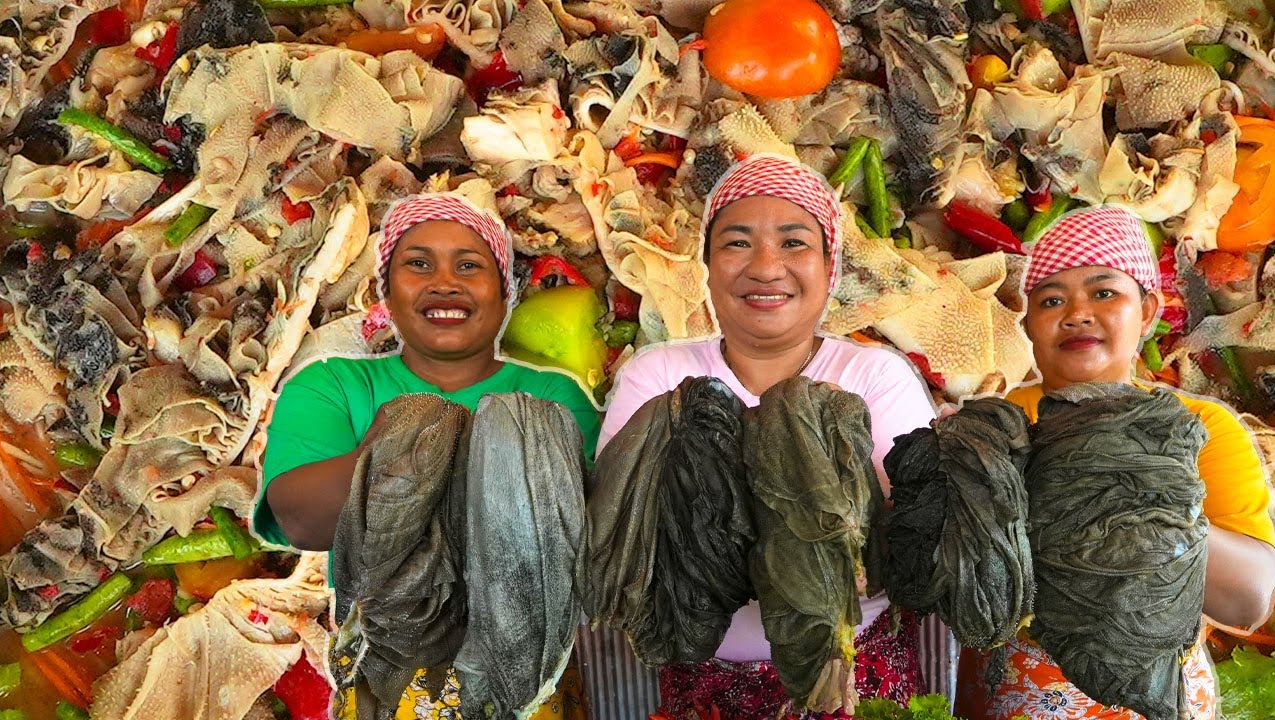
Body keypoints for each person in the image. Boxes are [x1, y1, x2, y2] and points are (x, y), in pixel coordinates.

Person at [597, 154, 938, 716]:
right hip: (700, 674)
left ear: (830, 269)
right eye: (735, 243)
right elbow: (626, 537)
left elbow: (903, 543)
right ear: (705, 268)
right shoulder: (656, 376)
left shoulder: (875, 375)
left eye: (794, 243)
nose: (764, 266)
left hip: (854, 674)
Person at [253, 192, 600, 720]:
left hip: (532, 677)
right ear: (385, 293)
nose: (445, 282)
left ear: (505, 294)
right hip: (388, 675)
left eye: (469, 266)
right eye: (418, 264)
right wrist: (397, 443)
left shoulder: (554, 396)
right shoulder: (333, 385)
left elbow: (586, 533)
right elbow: (299, 521)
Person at [954, 204, 1275, 719]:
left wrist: (1142, 506)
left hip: (1152, 694)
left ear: (1148, 311)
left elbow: (1249, 601)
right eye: (1051, 299)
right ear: (1030, 325)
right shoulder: (991, 426)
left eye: (1105, 293)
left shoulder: (1200, 428)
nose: (1077, 313)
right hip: (1013, 692)